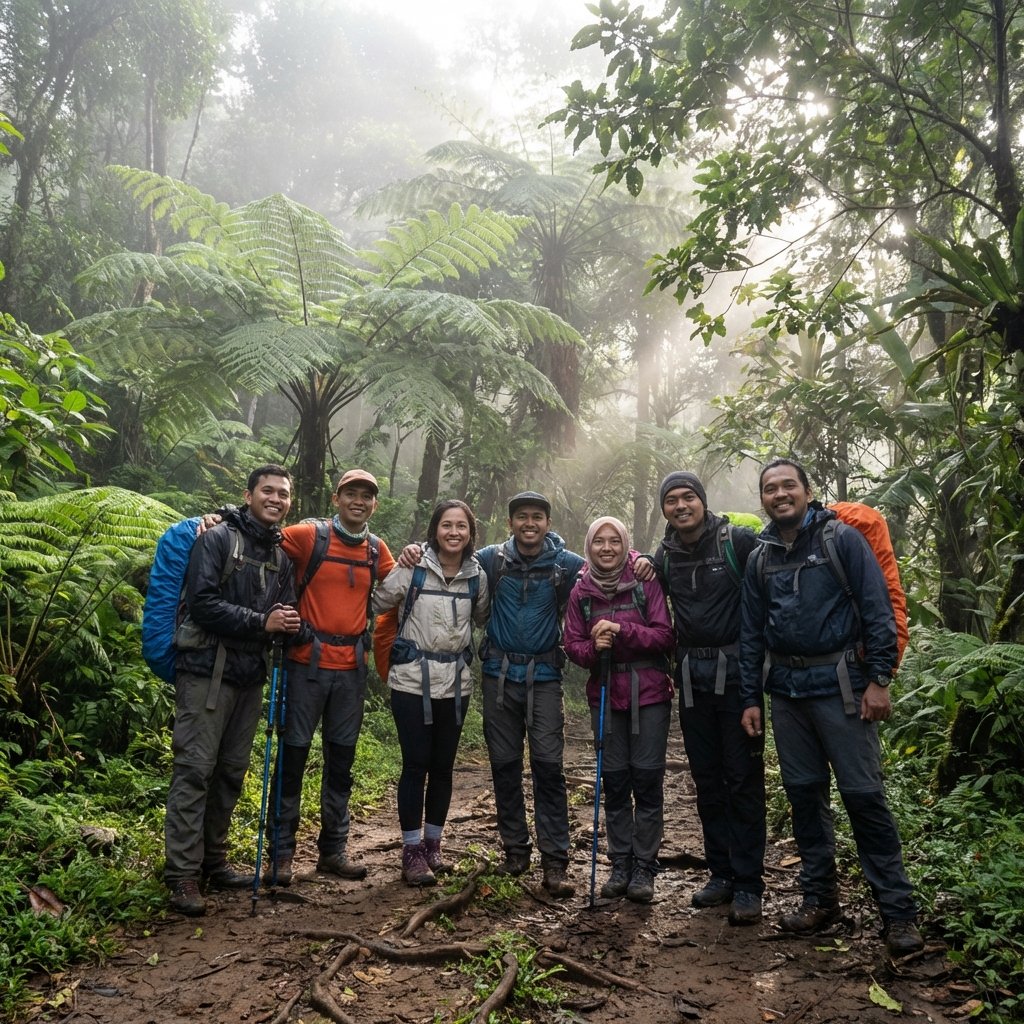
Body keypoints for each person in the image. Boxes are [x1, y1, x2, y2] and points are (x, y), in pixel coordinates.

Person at [739, 458, 924, 957]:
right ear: (763, 498)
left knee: (864, 796)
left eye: (788, 486)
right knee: (804, 797)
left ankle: (898, 912)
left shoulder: (841, 539)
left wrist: (880, 679)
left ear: (807, 490)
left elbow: (877, 609)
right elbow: (751, 634)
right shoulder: (761, 557)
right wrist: (749, 699)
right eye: (770, 488)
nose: (780, 494)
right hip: (787, 694)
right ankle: (820, 899)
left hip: (843, 687)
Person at [165, 465, 301, 916]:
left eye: (283, 493)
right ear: (248, 495)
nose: (276, 499)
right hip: (207, 672)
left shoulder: (282, 556)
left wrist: (289, 626)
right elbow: (202, 604)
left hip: (250, 677)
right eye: (268, 491)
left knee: (230, 773)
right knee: (195, 770)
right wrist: (262, 622)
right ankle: (182, 875)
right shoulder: (217, 538)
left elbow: (283, 613)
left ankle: (213, 862)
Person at [269, 468, 395, 884]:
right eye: (351, 494)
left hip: (351, 671)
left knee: (341, 763)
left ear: (375, 504)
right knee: (293, 758)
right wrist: (219, 518)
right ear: (337, 497)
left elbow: (400, 589)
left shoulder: (377, 550)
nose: (359, 501)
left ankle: (333, 851)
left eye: (367, 496)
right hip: (305, 664)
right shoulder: (310, 535)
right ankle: (282, 855)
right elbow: (265, 540)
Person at [650, 471, 766, 925]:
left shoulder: (736, 542)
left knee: (743, 780)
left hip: (737, 678)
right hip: (692, 681)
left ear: (702, 501)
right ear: (664, 509)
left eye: (688, 498)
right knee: (707, 780)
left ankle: (749, 884)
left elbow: (772, 581)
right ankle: (720, 874)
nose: (681, 506)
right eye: (672, 500)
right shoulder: (666, 555)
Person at [371, 500, 490, 886]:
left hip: (455, 683)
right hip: (410, 681)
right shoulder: (413, 567)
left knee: (442, 766)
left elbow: (484, 617)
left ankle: (434, 845)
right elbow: (378, 601)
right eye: (446, 525)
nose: (453, 532)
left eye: (461, 526)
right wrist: (402, 560)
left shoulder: (478, 576)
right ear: (435, 529)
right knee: (415, 764)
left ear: (471, 533)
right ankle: (411, 851)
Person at [563, 516, 675, 903]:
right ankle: (620, 863)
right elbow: (572, 644)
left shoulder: (645, 580)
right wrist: (595, 648)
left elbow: (665, 635)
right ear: (589, 545)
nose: (606, 548)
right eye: (599, 541)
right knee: (614, 782)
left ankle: (645, 866)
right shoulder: (581, 591)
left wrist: (624, 631)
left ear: (625, 544)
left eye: (614, 541)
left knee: (646, 781)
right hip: (606, 695)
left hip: (650, 695)